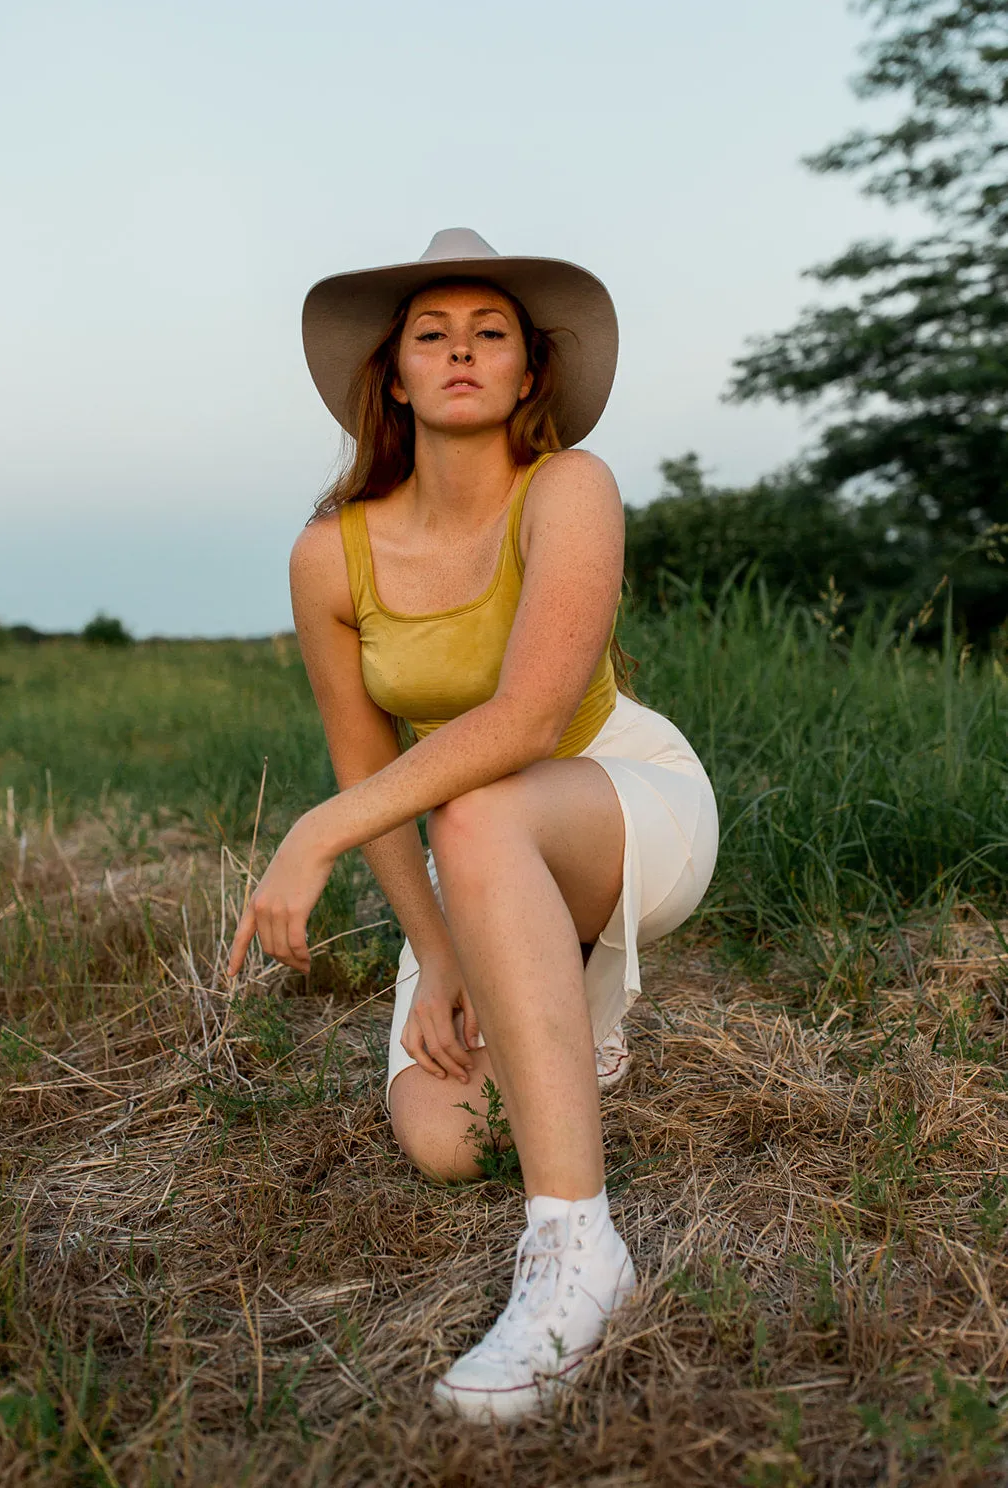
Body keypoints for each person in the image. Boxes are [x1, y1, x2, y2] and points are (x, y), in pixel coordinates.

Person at [228, 228, 719, 1423]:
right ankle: (562, 1019)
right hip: (470, 855)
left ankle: (574, 1251)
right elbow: (368, 758)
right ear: (391, 374)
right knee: (447, 1136)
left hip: (616, 798)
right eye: (430, 334)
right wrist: (435, 953)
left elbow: (529, 714)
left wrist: (317, 831)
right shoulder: (327, 553)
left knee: (477, 799)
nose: (459, 351)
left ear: (526, 374)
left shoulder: (571, 487)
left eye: (488, 333)